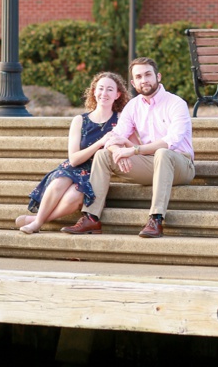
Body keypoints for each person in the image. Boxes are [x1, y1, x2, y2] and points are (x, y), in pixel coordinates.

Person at [62, 56, 195, 239]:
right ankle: (91, 217)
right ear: (133, 82)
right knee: (102, 155)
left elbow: (171, 140)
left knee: (163, 153)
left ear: (158, 76)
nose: (144, 80)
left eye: (148, 75)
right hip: (150, 164)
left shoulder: (175, 103)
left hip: (181, 165)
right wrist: (118, 151)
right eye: (139, 77)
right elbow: (114, 136)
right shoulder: (133, 106)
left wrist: (133, 151)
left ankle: (155, 219)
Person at [15, 71, 129, 234]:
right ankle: (37, 223)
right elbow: (74, 160)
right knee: (60, 181)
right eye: (101, 88)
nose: (104, 93)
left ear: (118, 94)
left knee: (73, 197)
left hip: (95, 173)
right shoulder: (80, 120)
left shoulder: (121, 120)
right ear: (94, 91)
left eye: (110, 89)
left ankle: (35, 219)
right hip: (73, 168)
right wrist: (100, 143)